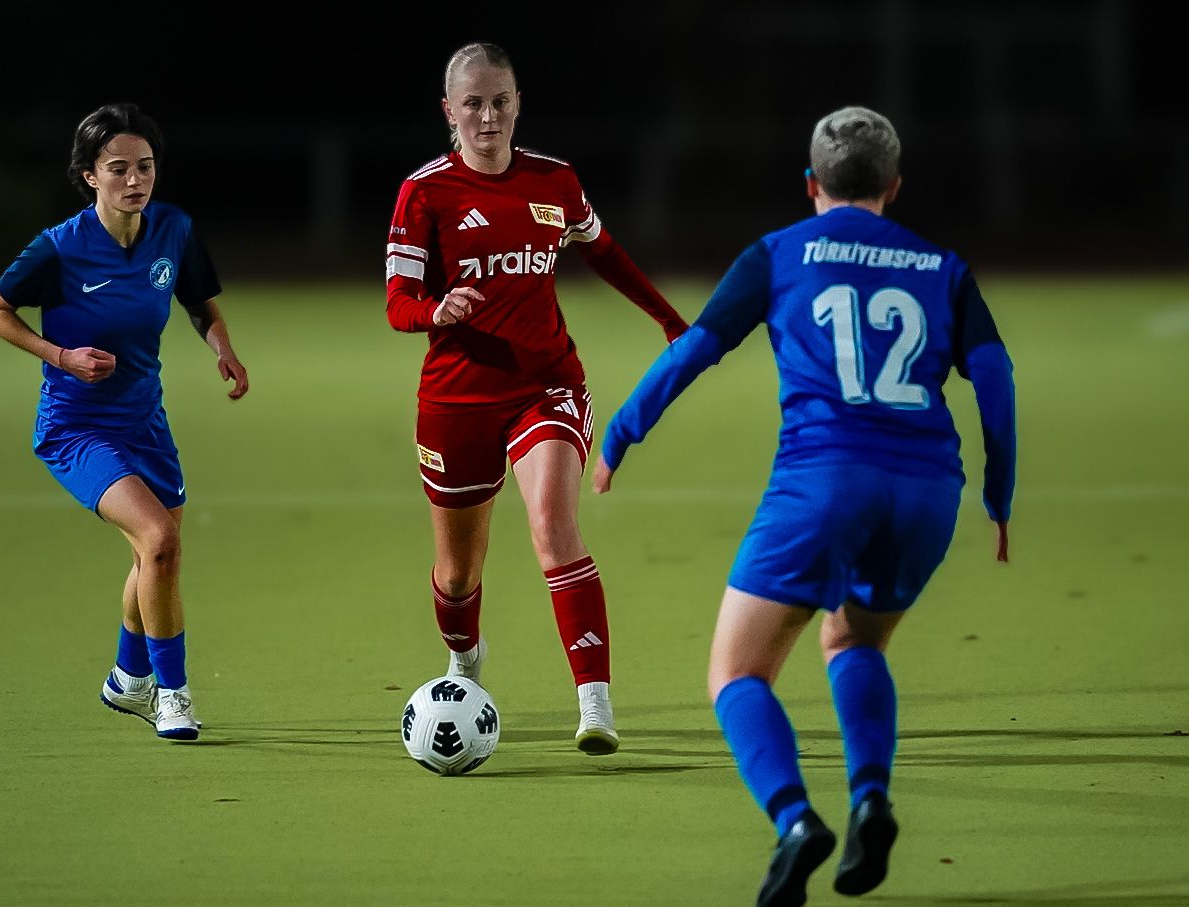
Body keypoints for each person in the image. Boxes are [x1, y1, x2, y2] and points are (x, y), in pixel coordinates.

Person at [593, 106, 1016, 904]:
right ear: (894, 186)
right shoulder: (942, 265)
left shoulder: (780, 251)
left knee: (736, 671)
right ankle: (871, 800)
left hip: (823, 480)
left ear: (811, 184)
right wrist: (1000, 490)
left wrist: (621, 431)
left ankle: (794, 821)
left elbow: (695, 349)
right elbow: (995, 378)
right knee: (854, 638)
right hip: (929, 489)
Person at [385, 41, 689, 755]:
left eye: (499, 101)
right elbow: (398, 300)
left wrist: (669, 319)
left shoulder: (555, 181)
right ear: (449, 111)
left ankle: (595, 704)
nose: (487, 117)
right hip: (456, 398)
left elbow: (603, 248)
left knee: (553, 526)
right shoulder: (424, 191)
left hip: (546, 384)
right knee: (459, 572)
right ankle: (464, 660)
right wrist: (437, 312)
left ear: (518, 103)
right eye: (473, 104)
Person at [0, 102, 249, 742]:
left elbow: (196, 298)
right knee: (158, 541)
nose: (135, 180)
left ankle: (126, 679)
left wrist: (224, 349)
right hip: (76, 428)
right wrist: (61, 356)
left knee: (155, 556)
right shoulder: (59, 248)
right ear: (89, 175)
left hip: (144, 422)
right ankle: (172, 696)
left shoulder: (173, 230)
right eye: (119, 168)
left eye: (146, 167)